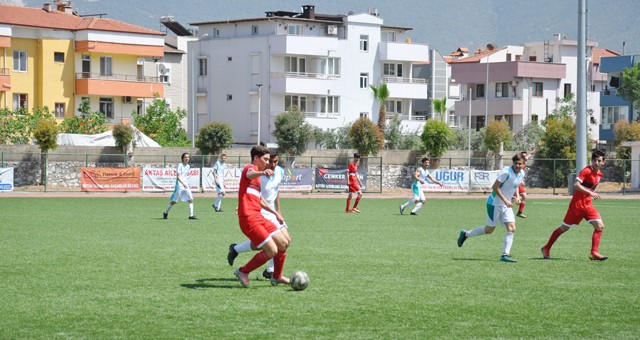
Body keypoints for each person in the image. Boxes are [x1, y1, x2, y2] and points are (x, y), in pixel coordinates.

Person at [232, 145, 291, 287]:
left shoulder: (257, 178)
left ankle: (276, 276)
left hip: (259, 217)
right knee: (272, 250)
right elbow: (250, 174)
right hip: (248, 219)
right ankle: (243, 271)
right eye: (265, 159)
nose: (267, 162)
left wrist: (275, 213)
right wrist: (262, 173)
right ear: (256, 158)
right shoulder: (249, 169)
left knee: (283, 243)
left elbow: (260, 200)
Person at [457, 153, 526, 262]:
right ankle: (465, 234)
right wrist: (505, 200)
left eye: (520, 164)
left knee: (512, 228)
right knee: (489, 230)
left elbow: (516, 185)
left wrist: (517, 196)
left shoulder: (522, 173)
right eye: (516, 163)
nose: (518, 165)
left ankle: (505, 255)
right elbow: (494, 187)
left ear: (523, 164)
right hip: (494, 203)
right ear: (513, 163)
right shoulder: (506, 172)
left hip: (506, 205)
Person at [541, 150, 608, 261]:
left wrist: (589, 195)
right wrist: (591, 193)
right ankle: (546, 248)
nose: (596, 162)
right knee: (564, 228)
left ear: (603, 162)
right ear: (591, 160)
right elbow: (576, 185)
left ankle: (594, 253)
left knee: (599, 226)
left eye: (599, 161)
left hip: (588, 205)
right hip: (577, 206)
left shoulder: (599, 174)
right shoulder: (586, 171)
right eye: (594, 160)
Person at [163, 152, 198, 220]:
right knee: (174, 201)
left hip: (185, 185)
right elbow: (178, 177)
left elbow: (184, 176)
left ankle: (191, 215)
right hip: (179, 185)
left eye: (188, 157)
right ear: (182, 158)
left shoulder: (188, 166)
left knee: (190, 199)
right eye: (185, 157)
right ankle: (165, 212)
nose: (187, 158)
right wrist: (183, 183)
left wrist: (186, 184)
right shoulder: (180, 165)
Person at [515, 151, 531, 218]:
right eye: (523, 156)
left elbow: (531, 153)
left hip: (519, 184)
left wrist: (538, 146)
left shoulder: (524, 162)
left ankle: (519, 212)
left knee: (524, 196)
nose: (525, 157)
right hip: (514, 183)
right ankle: (503, 210)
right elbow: (515, 173)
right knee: (511, 199)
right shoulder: (518, 164)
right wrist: (520, 180)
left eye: (525, 156)